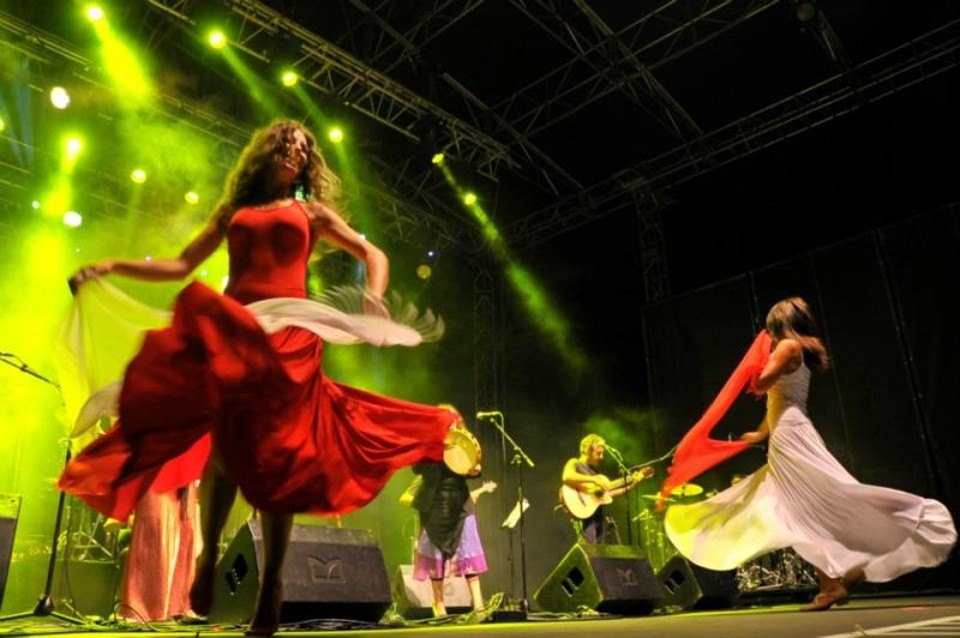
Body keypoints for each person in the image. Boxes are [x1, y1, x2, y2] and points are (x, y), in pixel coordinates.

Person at [58, 119, 461, 635]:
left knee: (280, 459)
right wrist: (109, 267)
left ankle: (272, 585)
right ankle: (208, 558)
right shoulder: (235, 210)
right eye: (285, 142)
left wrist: (373, 295)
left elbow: (373, 254)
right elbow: (181, 265)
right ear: (266, 151)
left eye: (303, 147)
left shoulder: (312, 212)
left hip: (291, 335)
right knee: (225, 448)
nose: (294, 150)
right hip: (238, 330)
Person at [664, 297, 957, 611]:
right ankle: (842, 577)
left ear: (778, 325)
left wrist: (754, 366)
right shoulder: (796, 348)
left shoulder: (787, 347)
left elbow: (763, 383)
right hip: (790, 430)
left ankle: (834, 582)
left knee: (801, 511)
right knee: (801, 510)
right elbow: (781, 400)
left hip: (791, 437)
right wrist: (760, 433)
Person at [405, 427, 496, 617]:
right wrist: (435, 450)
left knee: (468, 550)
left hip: (460, 504)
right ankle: (439, 604)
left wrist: (474, 469)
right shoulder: (429, 446)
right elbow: (416, 468)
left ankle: (478, 605)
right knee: (435, 555)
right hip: (435, 505)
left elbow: (468, 465)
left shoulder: (458, 439)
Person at [560, 434, 653, 544]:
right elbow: (566, 476)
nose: (601, 457)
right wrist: (593, 479)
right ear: (587, 451)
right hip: (583, 516)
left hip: (597, 517)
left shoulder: (595, 473)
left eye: (602, 453)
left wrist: (633, 484)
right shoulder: (575, 463)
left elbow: (611, 494)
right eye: (598, 453)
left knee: (599, 550)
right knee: (590, 549)